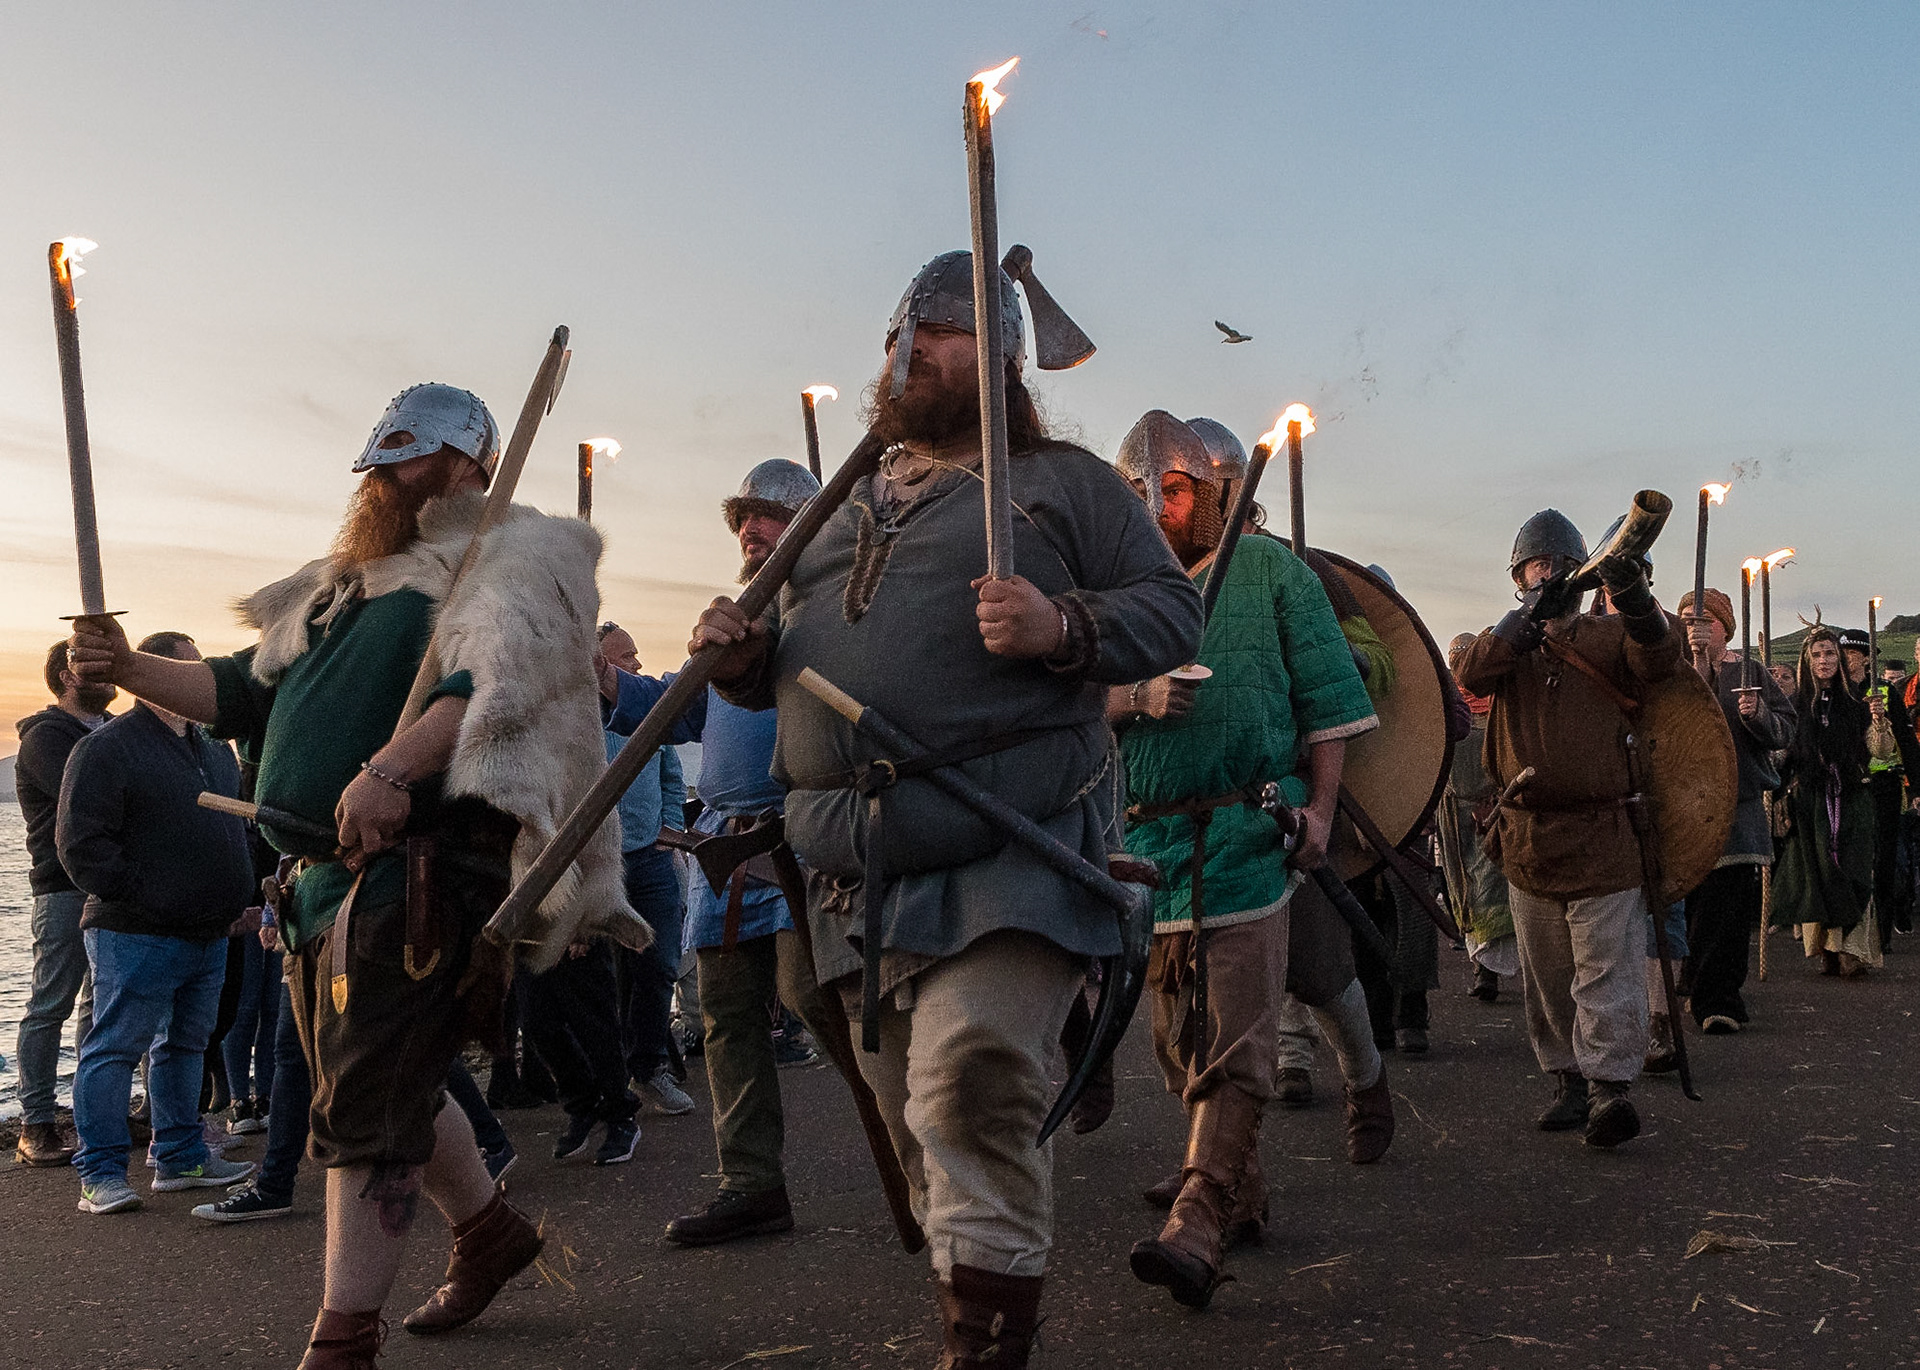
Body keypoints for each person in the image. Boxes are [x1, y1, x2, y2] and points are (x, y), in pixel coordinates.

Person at [689, 250, 1203, 1365]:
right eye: (902, 334)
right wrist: (743, 658)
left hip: (1009, 841)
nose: (913, 350)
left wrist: (1062, 627)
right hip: (853, 874)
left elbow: (1172, 614)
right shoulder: (835, 509)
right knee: (924, 1132)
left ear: (1001, 357)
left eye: (946, 331)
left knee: (970, 1085)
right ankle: (975, 1292)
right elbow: (801, 658)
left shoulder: (1067, 484)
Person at [67, 382, 639, 1368]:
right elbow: (240, 687)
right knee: (389, 1080)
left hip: (417, 871)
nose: (382, 475)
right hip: (316, 884)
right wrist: (129, 668)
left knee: (369, 1101)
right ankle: (491, 1231)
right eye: (379, 458)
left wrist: (392, 766)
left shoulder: (505, 559)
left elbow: (495, 682)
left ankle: (342, 1342)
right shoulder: (335, 588)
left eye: (405, 459)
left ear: (467, 468)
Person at [1109, 411, 1376, 1309]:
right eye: (1141, 494)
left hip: (1246, 831)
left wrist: (1322, 810)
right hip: (1150, 841)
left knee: (1239, 1037)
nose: (1157, 510)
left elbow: (1330, 697)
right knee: (1171, 1040)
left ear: (1211, 494)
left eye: (1174, 492)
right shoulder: (1114, 590)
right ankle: (1241, 1185)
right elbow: (1067, 697)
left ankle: (1201, 1213)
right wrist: (1137, 694)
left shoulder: (1269, 572)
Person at [608, 458, 850, 1247]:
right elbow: (671, 708)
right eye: (743, 514)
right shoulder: (729, 629)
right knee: (727, 1023)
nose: (750, 526)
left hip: (804, 842)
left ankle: (930, 1149)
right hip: (722, 851)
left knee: (824, 1002)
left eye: (770, 512)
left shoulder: (833, 614)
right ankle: (751, 1185)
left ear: (810, 524)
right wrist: (598, 676)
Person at [1457, 508, 1683, 1149]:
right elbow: (1470, 672)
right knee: (1549, 976)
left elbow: (1662, 658)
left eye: (1559, 565)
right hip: (1529, 839)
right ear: (1518, 575)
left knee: (1606, 968)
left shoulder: (1609, 641)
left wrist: (1636, 597)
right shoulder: (1505, 648)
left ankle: (1611, 1088)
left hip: (1603, 836)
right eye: (1536, 565)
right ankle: (1567, 1081)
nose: (1549, 572)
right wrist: (1526, 621)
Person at [57, 631, 259, 1213]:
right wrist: (151, 897)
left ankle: (179, 1156)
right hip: (134, 931)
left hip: (212, 931)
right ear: (149, 675)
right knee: (114, 1048)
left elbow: (237, 828)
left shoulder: (217, 750)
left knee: (185, 1045)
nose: (197, 684)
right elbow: (81, 847)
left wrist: (240, 897)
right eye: (186, 671)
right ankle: (99, 1174)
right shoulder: (106, 748)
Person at [11, 640, 113, 1166]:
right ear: (66, 675)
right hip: (63, 888)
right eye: (91, 666)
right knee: (50, 1004)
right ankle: (36, 1123)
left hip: (114, 887)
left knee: (101, 1006)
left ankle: (97, 1114)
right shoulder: (47, 739)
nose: (108, 672)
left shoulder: (113, 728)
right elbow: (90, 795)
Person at [1674, 589, 1794, 1033]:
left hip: (1736, 805)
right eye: (1687, 618)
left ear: (1726, 625)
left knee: (1726, 911)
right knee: (1688, 907)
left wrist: (1758, 713)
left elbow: (1782, 733)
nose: (1695, 625)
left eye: (1704, 618)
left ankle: (1718, 999)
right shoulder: (1673, 673)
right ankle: (1691, 982)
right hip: (1683, 808)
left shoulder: (1750, 672)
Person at [594, 622, 696, 1116]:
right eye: (626, 657)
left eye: (635, 655)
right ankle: (615, 1078)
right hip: (598, 866)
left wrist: (669, 829)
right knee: (608, 976)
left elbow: (672, 777)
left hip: (651, 858)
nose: (637, 664)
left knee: (658, 965)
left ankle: (651, 1066)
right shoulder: (577, 724)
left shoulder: (648, 715)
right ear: (599, 667)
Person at [1770, 626, 1895, 976]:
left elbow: (1880, 751)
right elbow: (1782, 753)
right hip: (1810, 800)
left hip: (1852, 796)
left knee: (1853, 870)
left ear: (1839, 660)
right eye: (1817, 655)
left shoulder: (1858, 702)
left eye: (1829, 654)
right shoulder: (1795, 707)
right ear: (1807, 661)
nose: (1823, 661)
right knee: (1818, 874)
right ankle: (1826, 947)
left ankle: (1852, 950)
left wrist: (1880, 722)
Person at [1439, 632, 1515, 1002]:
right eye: (1454, 655)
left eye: (1463, 655)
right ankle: (1479, 961)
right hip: (1452, 810)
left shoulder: (1498, 703)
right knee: (1463, 888)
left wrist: (1496, 800)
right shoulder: (1445, 702)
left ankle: (1488, 972)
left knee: (1490, 887)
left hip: (1490, 808)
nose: (1457, 661)